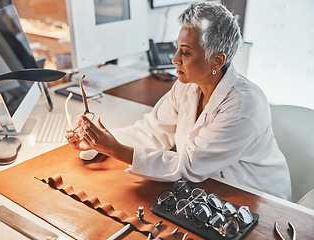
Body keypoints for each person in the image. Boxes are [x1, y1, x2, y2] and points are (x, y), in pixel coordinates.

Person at [66, 2, 292, 200]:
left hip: (256, 199)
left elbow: (190, 165)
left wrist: (115, 150)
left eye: (185, 52)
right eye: (177, 49)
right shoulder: (187, 87)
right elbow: (151, 132)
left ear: (217, 60)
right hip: (208, 188)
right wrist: (99, 143)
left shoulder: (243, 106)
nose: (175, 59)